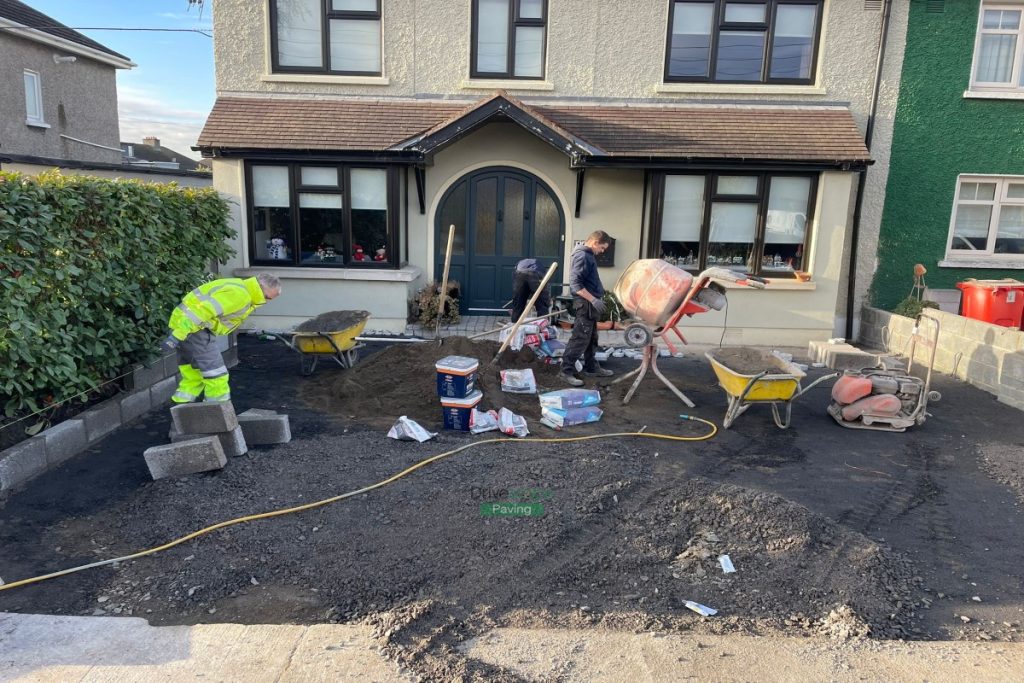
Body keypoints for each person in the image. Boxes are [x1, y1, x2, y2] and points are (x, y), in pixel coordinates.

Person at [160, 273, 282, 403]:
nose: (265, 301)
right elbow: (200, 312)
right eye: (266, 297)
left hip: (187, 328)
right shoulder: (240, 295)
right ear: (261, 287)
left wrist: (178, 334)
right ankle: (217, 419)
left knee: (194, 376)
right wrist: (176, 336)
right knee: (217, 376)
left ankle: (181, 413)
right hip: (194, 331)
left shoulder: (240, 288)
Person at [560, 231, 614, 386]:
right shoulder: (582, 256)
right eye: (602, 247)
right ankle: (566, 371)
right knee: (579, 339)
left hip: (590, 305)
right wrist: (593, 299)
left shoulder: (588, 255)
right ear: (595, 242)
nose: (602, 251)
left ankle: (591, 367)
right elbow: (575, 284)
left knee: (591, 338)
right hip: (585, 305)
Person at [510, 258, 551, 322]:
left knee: (518, 303)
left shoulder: (518, 265)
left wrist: (519, 294)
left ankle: (515, 325)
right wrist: (547, 301)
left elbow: (515, 280)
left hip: (519, 273)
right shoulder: (542, 269)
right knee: (542, 303)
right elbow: (544, 293)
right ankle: (542, 325)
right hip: (535, 273)